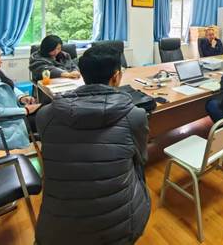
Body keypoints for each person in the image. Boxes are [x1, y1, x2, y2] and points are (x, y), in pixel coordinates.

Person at [35, 45, 150, 245]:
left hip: (55, 229)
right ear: (117, 76)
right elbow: (141, 158)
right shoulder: (135, 115)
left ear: (82, 74)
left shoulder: (45, 115)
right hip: (123, 226)